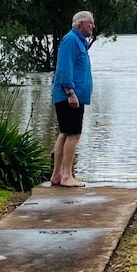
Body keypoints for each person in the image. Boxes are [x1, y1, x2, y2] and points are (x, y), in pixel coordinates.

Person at [50, 10, 95, 187]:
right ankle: (67, 176)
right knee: (73, 134)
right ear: (80, 24)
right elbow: (64, 68)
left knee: (65, 133)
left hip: (73, 96)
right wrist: (70, 92)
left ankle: (57, 175)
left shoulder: (79, 42)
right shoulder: (71, 40)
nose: (92, 26)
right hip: (69, 96)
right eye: (90, 23)